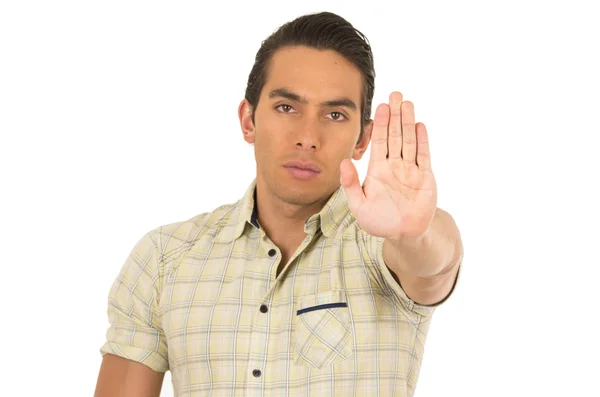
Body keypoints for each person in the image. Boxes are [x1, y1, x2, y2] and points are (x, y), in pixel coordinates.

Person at [94, 11, 463, 397]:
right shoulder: (164, 259)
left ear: (362, 139)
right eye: (287, 107)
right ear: (249, 120)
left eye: (335, 114)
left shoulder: (384, 248)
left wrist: (413, 234)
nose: (307, 136)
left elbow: (435, 264)